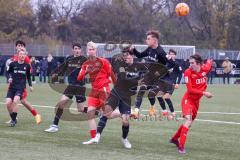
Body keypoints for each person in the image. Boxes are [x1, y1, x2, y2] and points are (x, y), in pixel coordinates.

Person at [169, 54, 213, 154]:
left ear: (198, 63)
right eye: (190, 62)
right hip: (188, 100)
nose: (190, 64)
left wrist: (210, 60)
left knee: (189, 124)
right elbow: (190, 89)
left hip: (196, 102)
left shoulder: (205, 68)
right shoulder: (188, 72)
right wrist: (204, 93)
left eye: (192, 63)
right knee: (188, 121)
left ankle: (174, 139)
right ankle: (181, 147)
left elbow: (208, 64)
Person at [77, 41, 116, 144]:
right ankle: (94, 138)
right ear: (87, 51)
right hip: (94, 92)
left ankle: (126, 112)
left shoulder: (104, 61)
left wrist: (115, 85)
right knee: (90, 114)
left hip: (103, 90)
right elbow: (79, 77)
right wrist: (84, 70)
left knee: (108, 115)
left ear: (96, 50)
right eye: (90, 49)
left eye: (93, 49)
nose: (92, 51)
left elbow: (110, 74)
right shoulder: (85, 64)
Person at [129, 30, 175, 117]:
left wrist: (160, 71)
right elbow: (139, 55)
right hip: (150, 75)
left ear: (154, 40)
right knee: (142, 89)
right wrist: (134, 49)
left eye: (148, 39)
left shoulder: (160, 52)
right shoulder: (150, 49)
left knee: (155, 95)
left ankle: (163, 110)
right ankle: (136, 112)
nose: (146, 41)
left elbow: (172, 64)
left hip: (160, 78)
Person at [45, 43, 87, 133]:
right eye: (75, 48)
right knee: (61, 104)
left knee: (81, 109)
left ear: (81, 50)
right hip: (70, 86)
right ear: (73, 50)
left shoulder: (84, 59)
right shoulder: (69, 59)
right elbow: (63, 69)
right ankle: (54, 125)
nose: (77, 50)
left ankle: (97, 111)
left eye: (78, 49)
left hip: (80, 87)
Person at [6, 40, 41, 125]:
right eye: (18, 45)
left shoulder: (25, 57)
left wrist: (28, 84)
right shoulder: (14, 57)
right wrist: (10, 77)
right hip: (13, 84)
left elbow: (29, 71)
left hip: (20, 85)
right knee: (21, 102)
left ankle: (15, 119)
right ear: (16, 47)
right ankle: (15, 118)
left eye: (22, 46)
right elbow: (10, 70)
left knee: (18, 101)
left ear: (24, 48)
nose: (20, 47)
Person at [148, 49, 182, 119]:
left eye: (173, 54)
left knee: (166, 98)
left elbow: (180, 74)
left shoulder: (177, 64)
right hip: (163, 82)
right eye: (170, 54)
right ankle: (164, 111)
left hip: (171, 83)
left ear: (175, 55)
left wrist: (177, 83)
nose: (171, 55)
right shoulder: (166, 64)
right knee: (159, 96)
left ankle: (173, 112)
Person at [6, 48, 33, 127]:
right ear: (18, 55)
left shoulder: (27, 66)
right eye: (21, 54)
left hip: (20, 88)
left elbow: (28, 76)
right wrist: (9, 78)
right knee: (8, 103)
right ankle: (13, 119)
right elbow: (7, 72)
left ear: (25, 56)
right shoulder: (12, 64)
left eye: (23, 54)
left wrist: (30, 86)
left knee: (15, 101)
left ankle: (13, 121)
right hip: (12, 87)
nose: (22, 56)